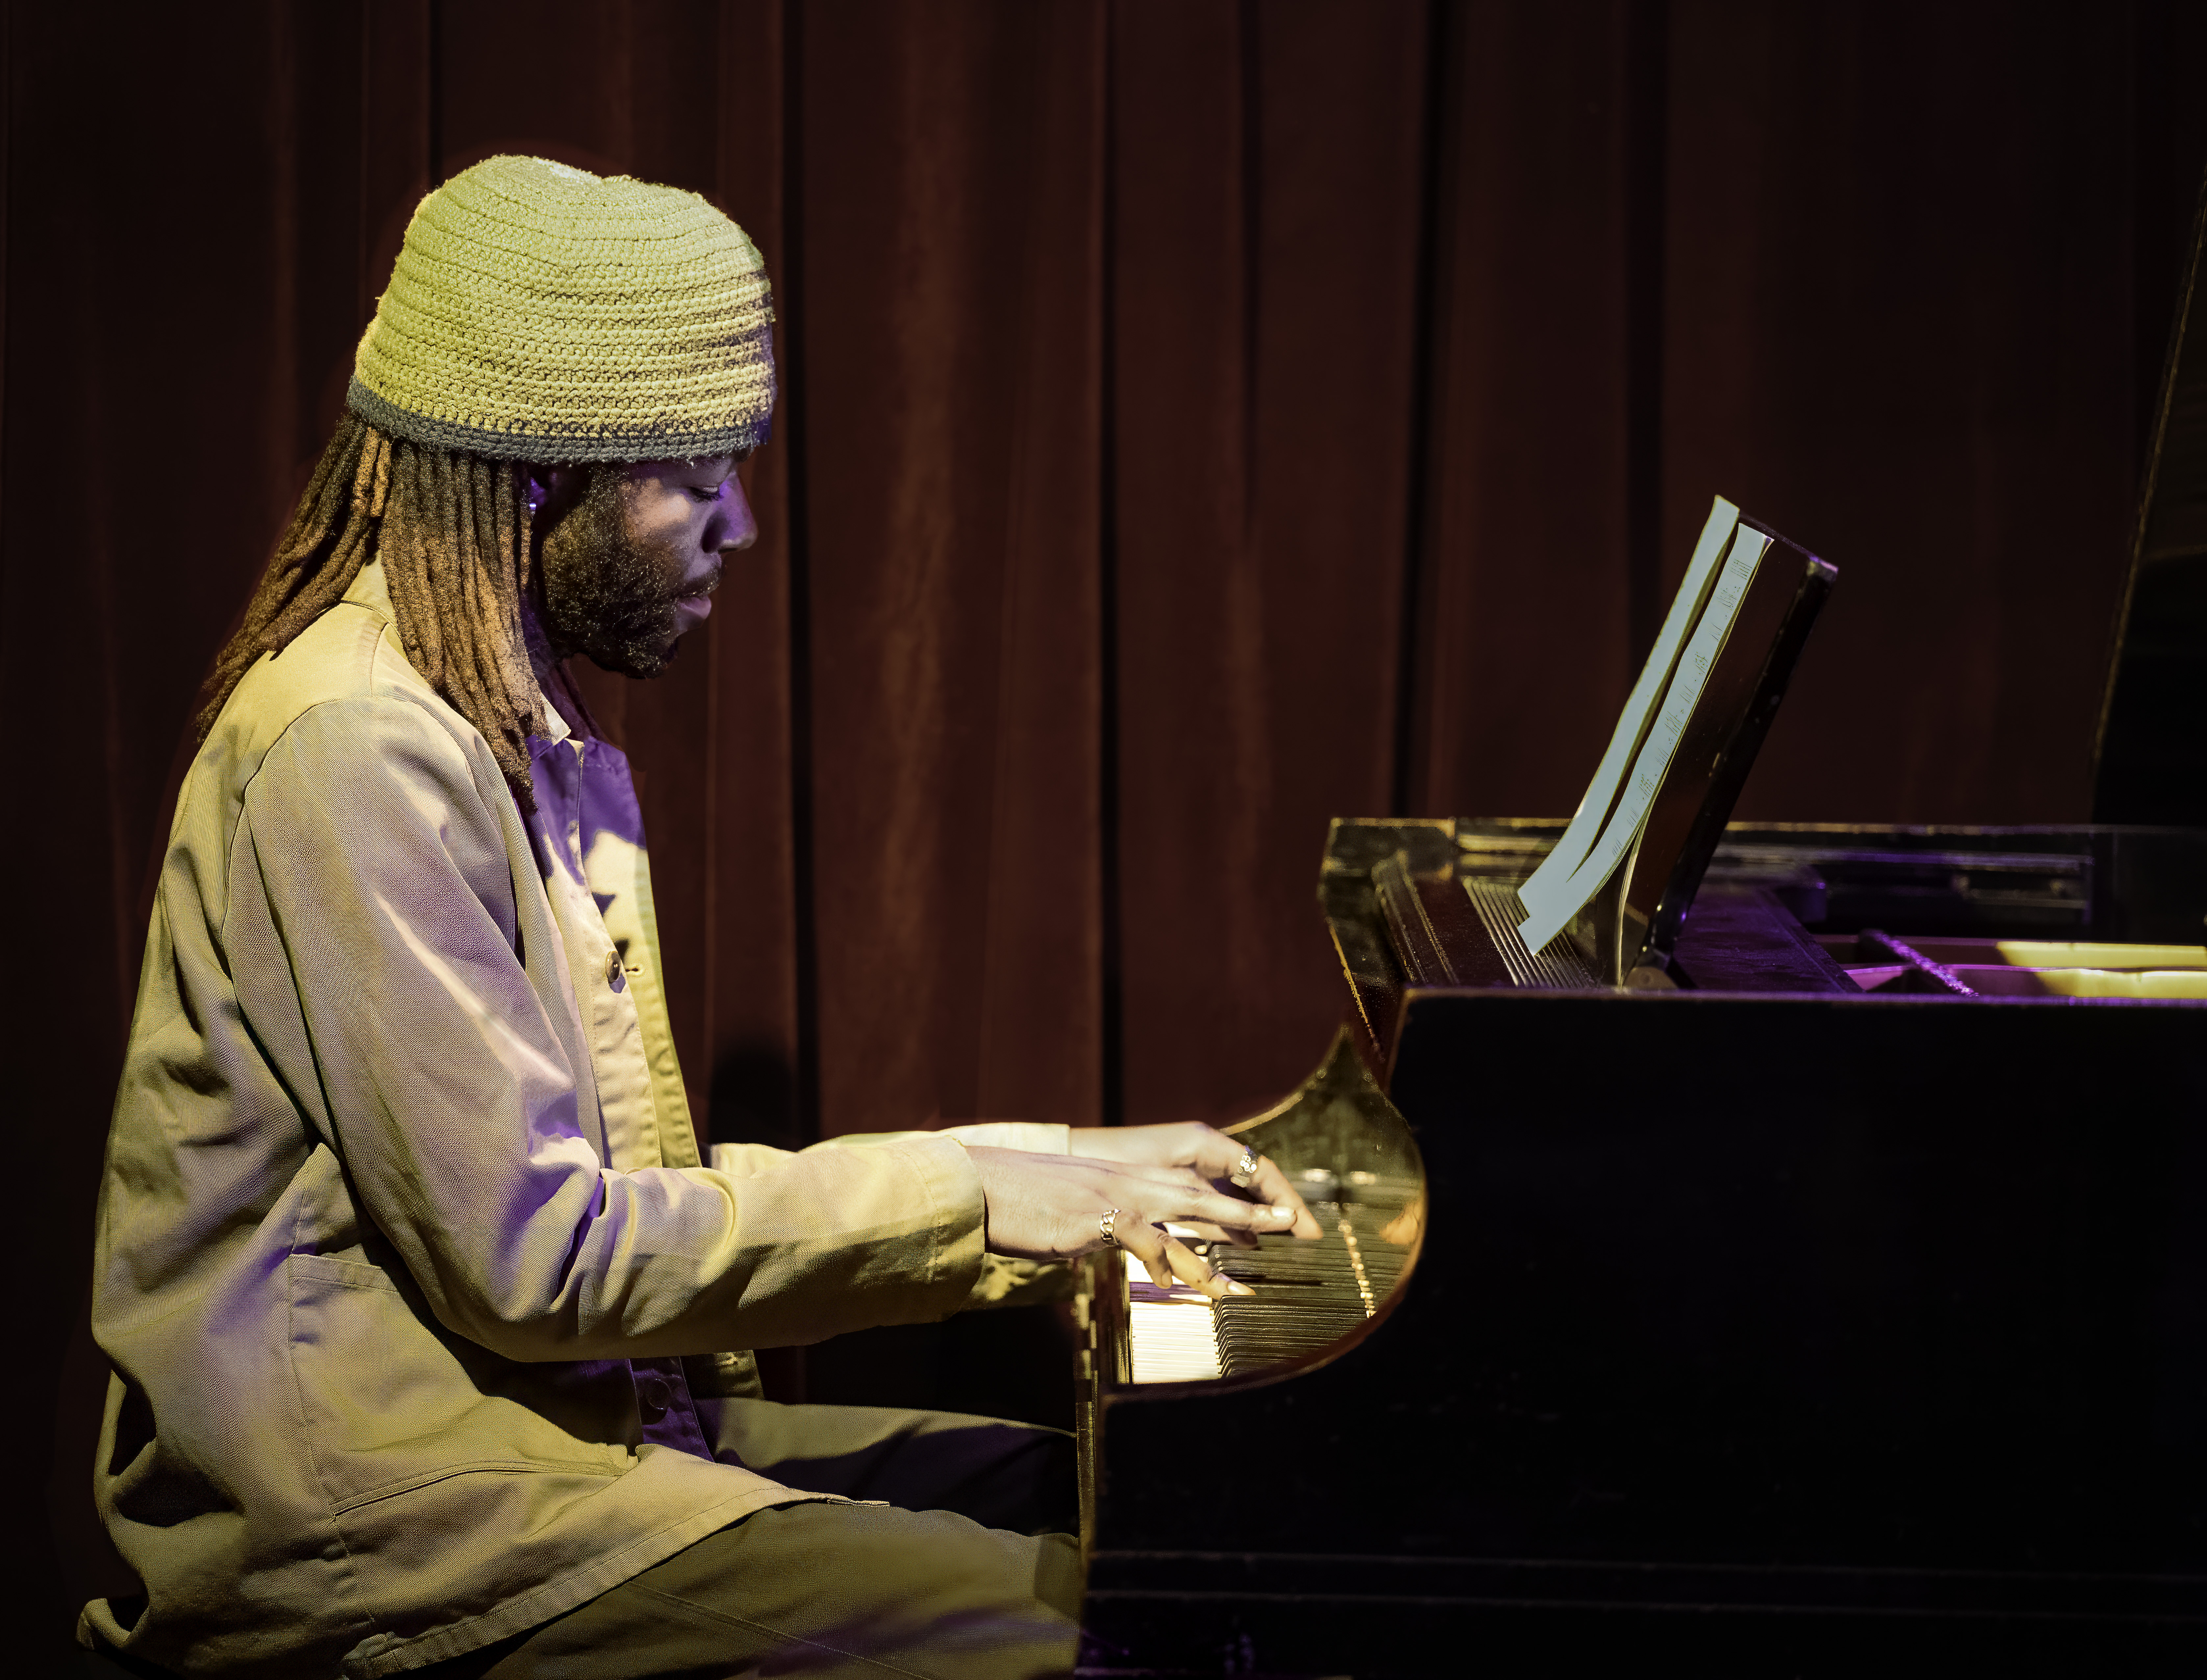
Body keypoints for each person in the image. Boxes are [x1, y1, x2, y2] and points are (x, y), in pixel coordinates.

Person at [81, 156, 1317, 1680]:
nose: (736, 525)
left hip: (566, 1433)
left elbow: (585, 1218)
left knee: (1155, 1517)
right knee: (1114, 1633)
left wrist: (1057, 1165)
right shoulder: (356, 742)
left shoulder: (509, 724)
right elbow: (541, 1260)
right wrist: (977, 1198)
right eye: (699, 475)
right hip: (387, 1526)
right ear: (546, 473)